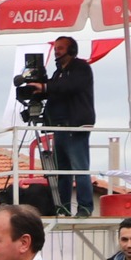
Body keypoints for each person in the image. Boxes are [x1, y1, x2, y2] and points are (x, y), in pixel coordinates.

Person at [42, 36, 96, 217]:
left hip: (76, 125)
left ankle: (85, 208)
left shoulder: (81, 67)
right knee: (62, 171)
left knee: (79, 168)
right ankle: (63, 207)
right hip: (60, 126)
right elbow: (56, 89)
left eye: (61, 48)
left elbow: (69, 87)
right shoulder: (58, 73)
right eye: (56, 47)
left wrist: (45, 87)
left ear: (72, 50)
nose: (57, 51)